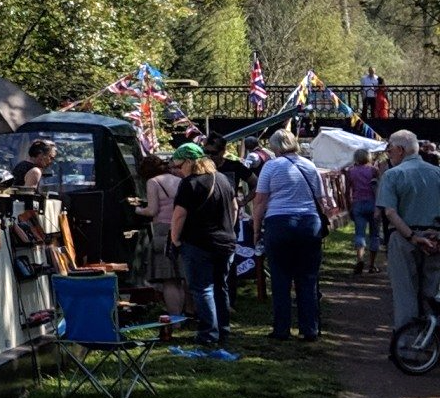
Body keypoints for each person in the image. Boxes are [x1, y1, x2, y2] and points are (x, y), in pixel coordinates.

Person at [250, 129, 331, 341]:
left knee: (280, 277)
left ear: (275, 147)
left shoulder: (271, 166)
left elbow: (260, 202)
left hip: (279, 223)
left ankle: (281, 328)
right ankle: (310, 328)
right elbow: (320, 199)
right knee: (307, 278)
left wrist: (256, 229)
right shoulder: (309, 166)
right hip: (308, 223)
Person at [168, 142, 240, 358]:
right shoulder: (224, 180)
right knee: (221, 286)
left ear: (190, 162)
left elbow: (179, 215)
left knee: (202, 288)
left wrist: (175, 239)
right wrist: (227, 229)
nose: (179, 171)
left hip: (198, 243)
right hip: (226, 242)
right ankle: (223, 330)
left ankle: (208, 333)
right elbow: (235, 207)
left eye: (179, 166)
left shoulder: (190, 183)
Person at [379, 129, 440, 334]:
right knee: (431, 293)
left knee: (405, 293)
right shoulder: (437, 173)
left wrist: (413, 237)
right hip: (435, 238)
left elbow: (389, 212)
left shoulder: (392, 175)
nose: (389, 154)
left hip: (404, 238)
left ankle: (407, 346)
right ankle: (431, 341)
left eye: (389, 150)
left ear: (400, 150)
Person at [139, 154, 188, 336]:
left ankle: (174, 320)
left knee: (168, 279)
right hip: (181, 229)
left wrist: (137, 209)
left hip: (162, 231)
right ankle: (181, 318)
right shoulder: (179, 180)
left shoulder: (153, 182)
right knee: (180, 278)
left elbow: (153, 210)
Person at [347, 146, 383, 277]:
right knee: (375, 234)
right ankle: (372, 264)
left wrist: (349, 206)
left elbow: (347, 191)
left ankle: (360, 259)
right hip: (374, 204)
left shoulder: (351, 171)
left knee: (359, 234)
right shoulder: (374, 170)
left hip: (358, 204)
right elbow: (380, 187)